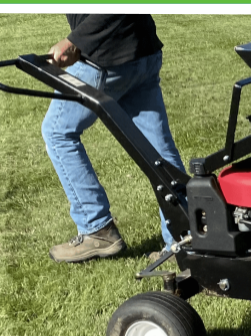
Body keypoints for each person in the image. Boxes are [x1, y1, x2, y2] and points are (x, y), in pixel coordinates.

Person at [42, 14, 186, 263]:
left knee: (58, 132)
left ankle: (96, 228)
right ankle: (184, 238)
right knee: (158, 151)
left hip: (105, 56)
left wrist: (75, 41)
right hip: (141, 50)